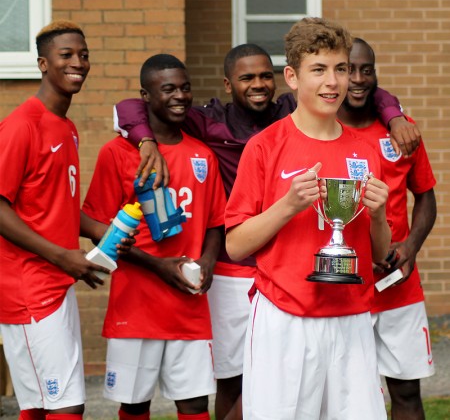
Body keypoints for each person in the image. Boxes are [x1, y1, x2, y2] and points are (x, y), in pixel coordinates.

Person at [113, 44, 420, 420]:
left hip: (347, 305)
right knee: (234, 382)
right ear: (229, 84)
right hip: (259, 285)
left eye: (263, 76)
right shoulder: (218, 124)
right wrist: (146, 140)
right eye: (246, 78)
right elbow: (136, 104)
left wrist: (392, 117)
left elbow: (361, 88)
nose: (335, 80)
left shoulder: (323, 125)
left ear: (280, 81)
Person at [224, 17, 392, 419]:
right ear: (292, 77)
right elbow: (234, 244)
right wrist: (287, 206)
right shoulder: (265, 147)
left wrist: (380, 215)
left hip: (351, 316)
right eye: (318, 70)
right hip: (285, 315)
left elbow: (379, 254)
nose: (333, 82)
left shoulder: (365, 151)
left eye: (340, 68)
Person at [81, 54, 227, 420]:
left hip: (189, 307)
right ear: (145, 96)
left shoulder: (202, 155)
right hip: (136, 305)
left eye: (185, 87)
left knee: (194, 405)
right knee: (134, 405)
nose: (180, 96)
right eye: (168, 89)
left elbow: (215, 222)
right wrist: (156, 265)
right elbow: (89, 222)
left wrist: (208, 263)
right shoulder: (117, 153)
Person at [0, 21, 113, 420]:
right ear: (42, 64)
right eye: (66, 55)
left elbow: (53, 205)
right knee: (65, 405)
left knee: (38, 407)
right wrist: (61, 256)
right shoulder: (21, 125)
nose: (78, 63)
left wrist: (101, 230)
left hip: (56, 284)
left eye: (83, 55)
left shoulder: (65, 127)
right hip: (29, 289)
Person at [338, 38, 436, 420]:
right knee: (347, 398)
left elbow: (426, 197)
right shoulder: (321, 130)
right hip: (344, 289)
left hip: (398, 287)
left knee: (407, 394)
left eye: (367, 69)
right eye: (350, 70)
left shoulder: (402, 131)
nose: (359, 79)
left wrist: (410, 246)